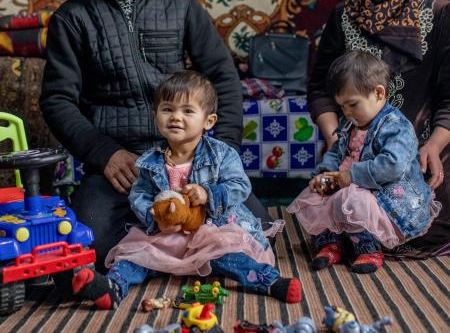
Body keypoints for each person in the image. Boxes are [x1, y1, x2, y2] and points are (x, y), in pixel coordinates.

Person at [39, 0, 272, 273]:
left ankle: (156, 246)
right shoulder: (72, 18)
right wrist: (104, 153)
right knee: (91, 247)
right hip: (122, 167)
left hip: (192, 160)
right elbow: (57, 100)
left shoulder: (180, 4)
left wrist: (218, 153)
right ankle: (165, 240)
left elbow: (223, 78)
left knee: (259, 231)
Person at [70, 71, 301, 309]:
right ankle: (113, 287)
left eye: (187, 111)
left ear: (208, 121)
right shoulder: (149, 161)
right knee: (132, 257)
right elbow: (138, 195)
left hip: (210, 231)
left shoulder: (221, 154)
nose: (176, 117)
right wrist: (155, 216)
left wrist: (208, 194)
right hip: (168, 235)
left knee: (230, 257)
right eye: (167, 109)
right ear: (155, 116)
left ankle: (268, 281)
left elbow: (240, 186)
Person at [307, 0, 450, 258]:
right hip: (359, 153)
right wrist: (335, 139)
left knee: (424, 231)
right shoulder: (344, 17)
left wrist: (433, 145)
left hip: (423, 154)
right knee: (334, 219)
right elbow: (320, 89)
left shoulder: (441, 15)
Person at [288, 51, 441, 273]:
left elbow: (393, 165)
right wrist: (325, 173)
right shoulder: (351, 123)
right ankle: (332, 243)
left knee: (354, 199)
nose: (347, 113)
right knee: (317, 193)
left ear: (379, 93)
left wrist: (351, 176)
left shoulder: (396, 126)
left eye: (352, 104)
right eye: (342, 107)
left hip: (385, 196)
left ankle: (368, 249)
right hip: (348, 182)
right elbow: (337, 151)